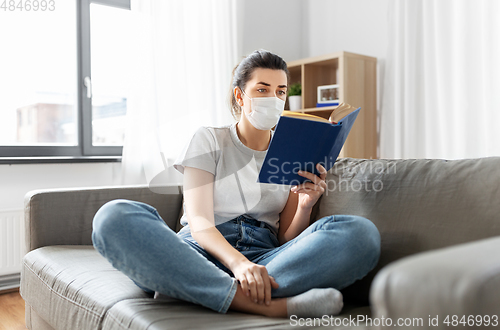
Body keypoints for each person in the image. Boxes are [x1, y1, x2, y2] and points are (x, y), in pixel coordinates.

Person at [92, 50, 381, 318]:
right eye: (262, 89)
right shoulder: (208, 139)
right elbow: (200, 222)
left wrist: (305, 205)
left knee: (360, 234)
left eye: (280, 91)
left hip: (265, 257)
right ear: (240, 96)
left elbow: (285, 240)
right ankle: (259, 303)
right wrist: (239, 265)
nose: (274, 98)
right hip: (199, 250)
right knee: (114, 216)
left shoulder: (294, 149)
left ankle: (187, 287)